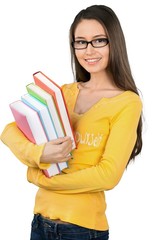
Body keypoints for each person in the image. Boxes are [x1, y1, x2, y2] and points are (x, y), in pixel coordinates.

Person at [0, 4, 143, 240]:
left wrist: (40, 178)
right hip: (40, 222)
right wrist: (39, 154)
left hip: (81, 229)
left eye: (99, 40)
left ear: (114, 42)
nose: (89, 50)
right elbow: (9, 130)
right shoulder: (63, 93)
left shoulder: (127, 102)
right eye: (80, 41)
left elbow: (108, 175)